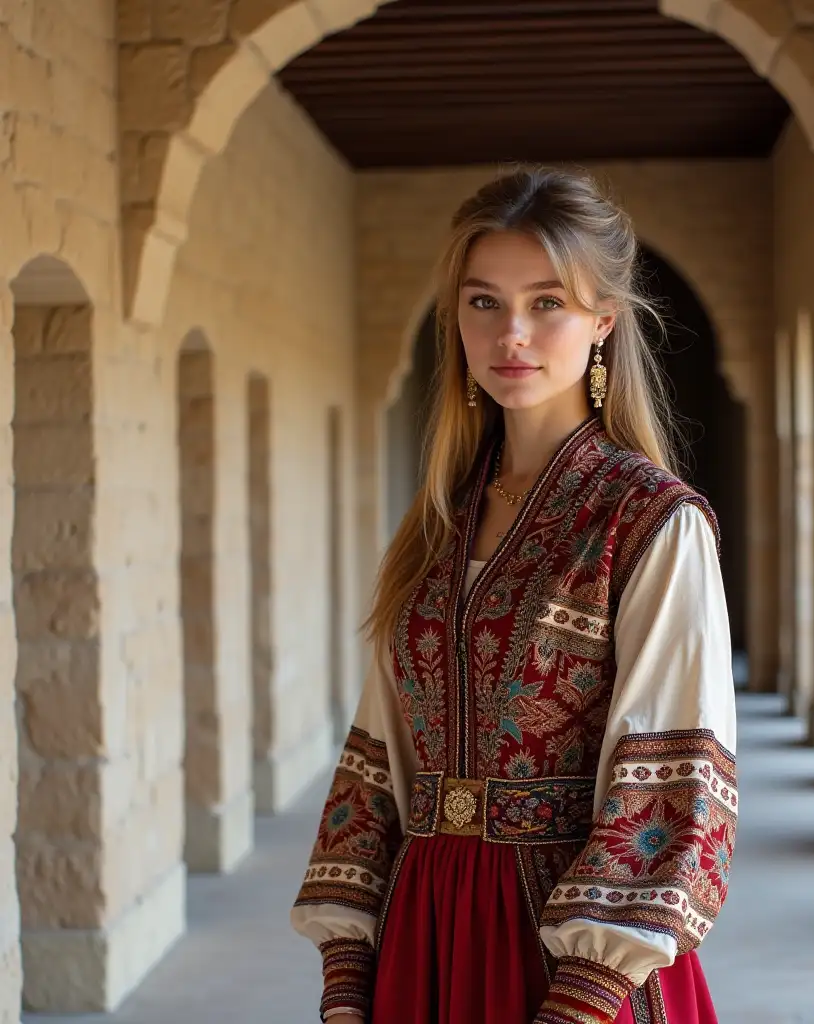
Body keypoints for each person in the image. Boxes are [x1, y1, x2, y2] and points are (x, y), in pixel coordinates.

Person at [290, 167, 738, 1024]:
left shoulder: (649, 521)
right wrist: (348, 965)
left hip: (570, 959)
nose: (513, 335)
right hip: (424, 933)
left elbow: (675, 783)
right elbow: (378, 754)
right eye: (484, 303)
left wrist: (582, 997)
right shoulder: (438, 524)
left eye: (548, 303)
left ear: (603, 321)